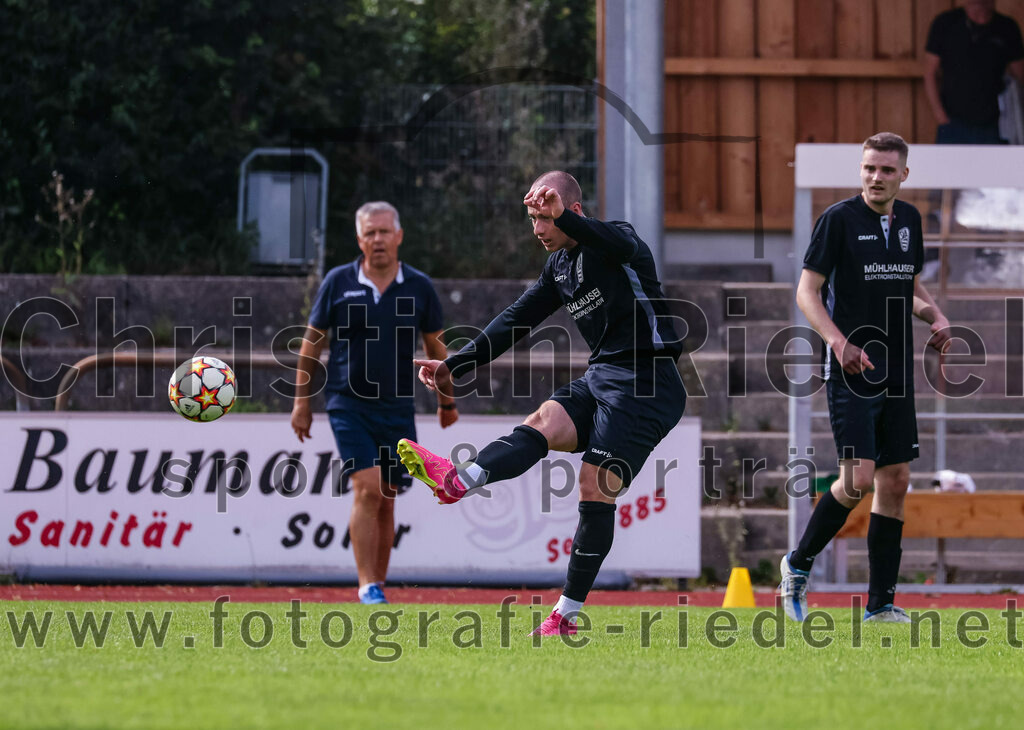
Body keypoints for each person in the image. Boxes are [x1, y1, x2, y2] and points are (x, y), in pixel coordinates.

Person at [395, 171, 685, 636]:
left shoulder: (618, 240)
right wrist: (455, 365)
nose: (537, 228)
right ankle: (458, 480)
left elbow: (609, 238)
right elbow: (516, 318)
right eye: (532, 218)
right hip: (602, 376)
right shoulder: (559, 268)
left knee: (594, 485)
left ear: (573, 210)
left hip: (649, 383)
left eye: (545, 217)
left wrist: (564, 216)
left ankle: (565, 616)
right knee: (542, 421)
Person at [779, 133, 952, 623]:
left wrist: (935, 316)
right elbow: (807, 292)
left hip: (896, 368)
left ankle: (880, 606)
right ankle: (798, 564)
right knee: (857, 478)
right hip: (851, 368)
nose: (876, 177)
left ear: (903, 175)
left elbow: (908, 283)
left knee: (896, 480)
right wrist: (838, 343)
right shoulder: (837, 220)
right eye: (869, 168)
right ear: (861, 170)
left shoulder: (910, 220)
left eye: (887, 170)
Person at [291, 201, 458, 605]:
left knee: (386, 496)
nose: (378, 239)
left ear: (399, 236)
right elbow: (311, 346)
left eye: (385, 231)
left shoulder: (419, 286)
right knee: (367, 489)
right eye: (370, 232)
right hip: (347, 404)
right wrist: (301, 402)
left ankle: (378, 586)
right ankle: (366, 585)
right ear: (359, 238)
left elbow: (437, 350)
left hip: (397, 407)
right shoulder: (338, 282)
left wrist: (447, 402)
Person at [924, 0, 1024, 144]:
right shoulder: (945, 23)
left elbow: (1020, 75)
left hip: (995, 125)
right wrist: (941, 116)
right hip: (953, 123)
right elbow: (929, 73)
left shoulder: (1007, 27)